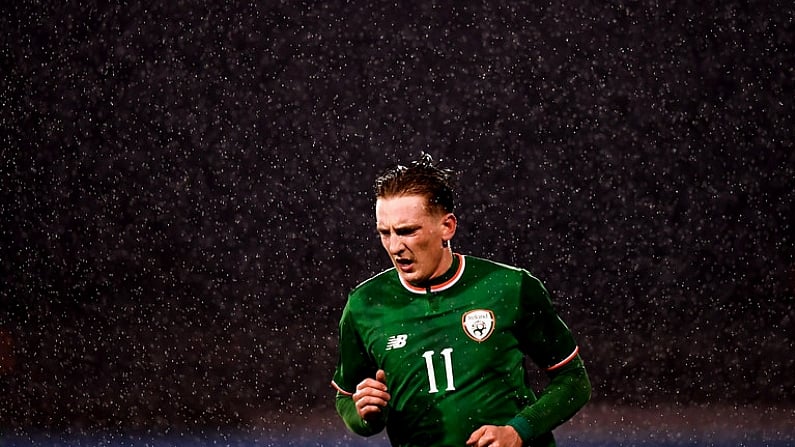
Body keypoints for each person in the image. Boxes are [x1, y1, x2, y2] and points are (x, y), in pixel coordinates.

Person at [331, 153, 591, 447]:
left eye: (407, 231)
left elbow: (574, 381)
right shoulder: (365, 305)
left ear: (448, 227)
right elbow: (347, 398)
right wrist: (367, 414)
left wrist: (519, 430)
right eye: (384, 233)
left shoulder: (509, 287)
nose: (395, 246)